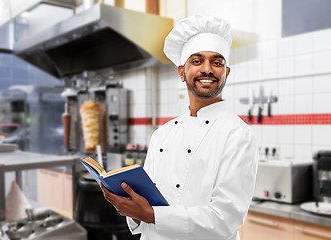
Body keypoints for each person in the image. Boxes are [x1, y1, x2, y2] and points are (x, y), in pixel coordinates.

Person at [101, 14, 258, 240]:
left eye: (217, 62)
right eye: (197, 61)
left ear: (226, 72)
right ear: (182, 72)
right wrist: (132, 211)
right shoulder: (163, 134)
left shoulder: (237, 134)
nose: (207, 69)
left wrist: (151, 214)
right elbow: (146, 209)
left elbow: (225, 219)